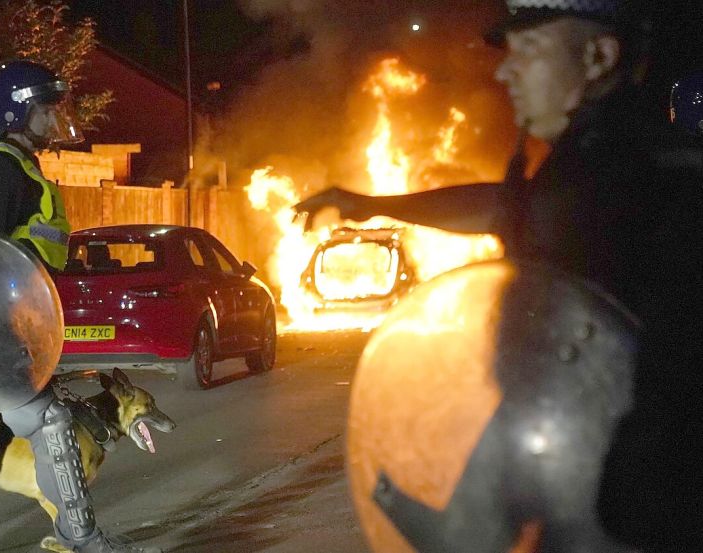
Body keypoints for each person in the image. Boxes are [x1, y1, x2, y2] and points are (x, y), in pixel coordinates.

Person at [296, 1, 703, 551]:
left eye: (529, 50)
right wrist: (370, 204)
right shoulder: (586, 163)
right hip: (574, 473)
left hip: (630, 502)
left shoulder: (651, 181)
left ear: (598, 56)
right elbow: (503, 208)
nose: (505, 71)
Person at [0, 61, 161, 553]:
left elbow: (22, 258)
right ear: (18, 111)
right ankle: (81, 539)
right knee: (48, 422)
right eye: (46, 108)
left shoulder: (18, 167)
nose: (55, 118)